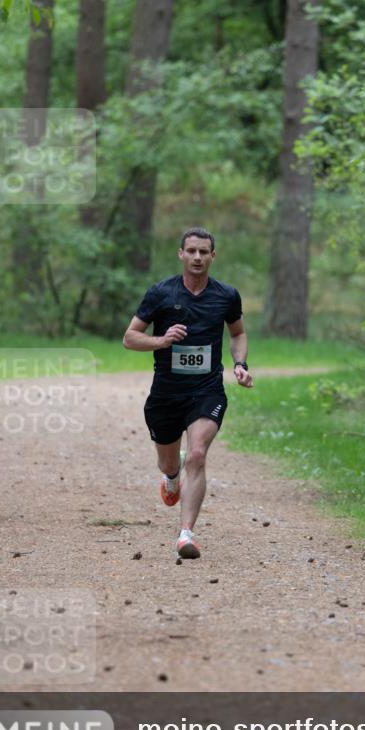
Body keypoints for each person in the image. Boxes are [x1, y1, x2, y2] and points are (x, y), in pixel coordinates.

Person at [123, 227, 253, 560]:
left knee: (196, 454)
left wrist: (240, 364)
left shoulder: (226, 295)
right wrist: (162, 341)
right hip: (166, 392)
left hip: (207, 390)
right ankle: (170, 476)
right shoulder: (160, 294)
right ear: (181, 254)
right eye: (191, 251)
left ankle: (185, 534)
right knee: (170, 462)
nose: (197, 257)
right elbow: (130, 338)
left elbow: (237, 333)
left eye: (204, 252)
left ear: (213, 256)